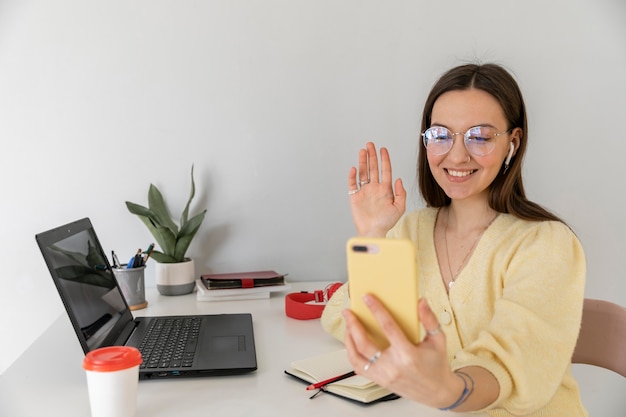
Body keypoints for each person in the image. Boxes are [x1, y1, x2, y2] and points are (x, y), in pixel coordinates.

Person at [320, 63, 587, 416]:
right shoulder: (409, 231)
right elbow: (340, 317)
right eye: (441, 135)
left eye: (480, 136)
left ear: (513, 142)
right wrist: (373, 235)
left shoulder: (547, 245)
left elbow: (514, 364)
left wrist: (450, 391)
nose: (457, 155)